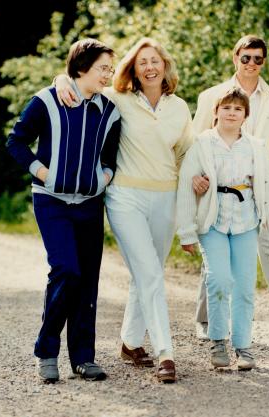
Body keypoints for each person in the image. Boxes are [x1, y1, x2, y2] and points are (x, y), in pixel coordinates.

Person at [55, 37, 193, 383]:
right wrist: (60, 80)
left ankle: (131, 343)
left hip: (165, 197)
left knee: (148, 271)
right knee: (149, 273)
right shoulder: (116, 100)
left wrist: (198, 179)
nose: (149, 67)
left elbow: (186, 153)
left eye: (154, 61)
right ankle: (166, 353)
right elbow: (81, 81)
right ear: (133, 68)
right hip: (125, 197)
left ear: (165, 66)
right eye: (141, 62)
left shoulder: (179, 107)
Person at [6, 38, 121, 382]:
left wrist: (104, 178)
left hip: (89, 205)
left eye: (110, 70)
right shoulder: (46, 101)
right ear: (81, 68)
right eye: (103, 68)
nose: (107, 75)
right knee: (66, 270)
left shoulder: (111, 111)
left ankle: (84, 358)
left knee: (87, 281)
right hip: (51, 202)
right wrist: (43, 172)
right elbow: (16, 141)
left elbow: (109, 157)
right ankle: (47, 350)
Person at [192, 34, 269, 346]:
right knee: (215, 252)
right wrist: (198, 179)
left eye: (258, 58)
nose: (252, 64)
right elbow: (196, 140)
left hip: (261, 187)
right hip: (218, 187)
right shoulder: (213, 96)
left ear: (264, 62)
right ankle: (207, 319)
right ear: (235, 59)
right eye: (246, 57)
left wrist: (268, 182)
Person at [177, 88, 269, 369]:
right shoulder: (201, 144)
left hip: (246, 222)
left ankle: (243, 346)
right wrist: (186, 232)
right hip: (212, 221)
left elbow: (264, 188)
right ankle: (217, 341)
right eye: (226, 108)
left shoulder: (255, 146)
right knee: (220, 279)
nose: (231, 113)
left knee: (245, 286)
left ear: (245, 116)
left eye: (238, 109)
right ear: (216, 112)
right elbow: (186, 188)